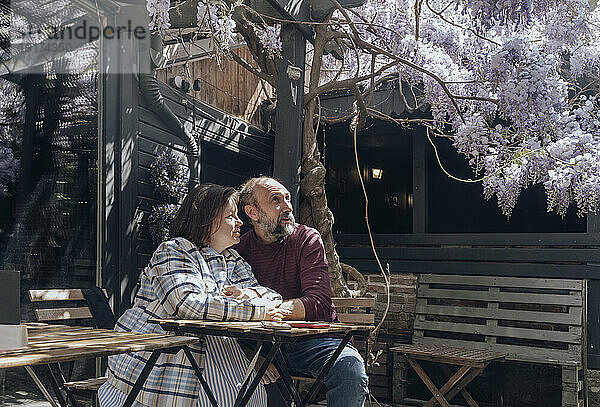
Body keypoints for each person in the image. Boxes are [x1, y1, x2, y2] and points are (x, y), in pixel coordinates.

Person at [98, 183, 290, 407]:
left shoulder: (232, 260)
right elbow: (189, 305)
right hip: (167, 355)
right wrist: (257, 310)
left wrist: (247, 293)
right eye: (231, 216)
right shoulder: (174, 250)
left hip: (217, 349)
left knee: (252, 397)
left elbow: (273, 298)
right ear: (206, 220)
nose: (239, 222)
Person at [234, 176, 368, 407]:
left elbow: (318, 303)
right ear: (252, 212)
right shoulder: (238, 249)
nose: (287, 206)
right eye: (275, 200)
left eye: (287, 198)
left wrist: (268, 309)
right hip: (263, 345)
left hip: (315, 342)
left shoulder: (307, 239)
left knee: (349, 368)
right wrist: (248, 356)